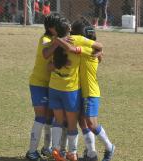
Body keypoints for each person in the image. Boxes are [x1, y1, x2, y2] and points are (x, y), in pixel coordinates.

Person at [61, 17, 115, 161]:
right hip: (83, 91)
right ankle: (91, 153)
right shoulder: (93, 49)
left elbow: (72, 48)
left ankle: (109, 147)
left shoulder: (87, 49)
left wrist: (59, 39)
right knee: (82, 121)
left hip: (91, 92)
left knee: (91, 123)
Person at [26, 15, 59, 161]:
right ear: (52, 27)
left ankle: (47, 148)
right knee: (41, 116)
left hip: (51, 84)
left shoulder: (56, 39)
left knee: (50, 116)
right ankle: (31, 151)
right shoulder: (45, 39)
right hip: (38, 83)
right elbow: (47, 53)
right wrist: (59, 42)